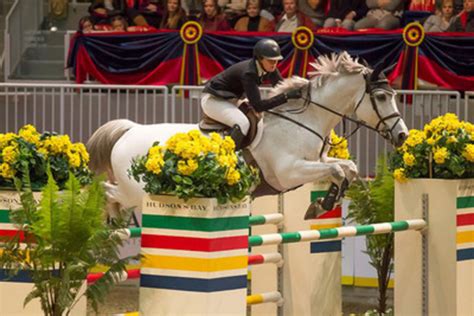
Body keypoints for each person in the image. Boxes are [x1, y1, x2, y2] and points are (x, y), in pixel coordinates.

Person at [201, 39, 302, 149]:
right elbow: (258, 106)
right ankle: (226, 157)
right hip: (214, 100)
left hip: (231, 99)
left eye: (276, 60)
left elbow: (282, 87)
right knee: (243, 123)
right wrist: (286, 97)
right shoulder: (248, 73)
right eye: (270, 60)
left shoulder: (270, 68)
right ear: (259, 58)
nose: (274, 64)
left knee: (258, 119)